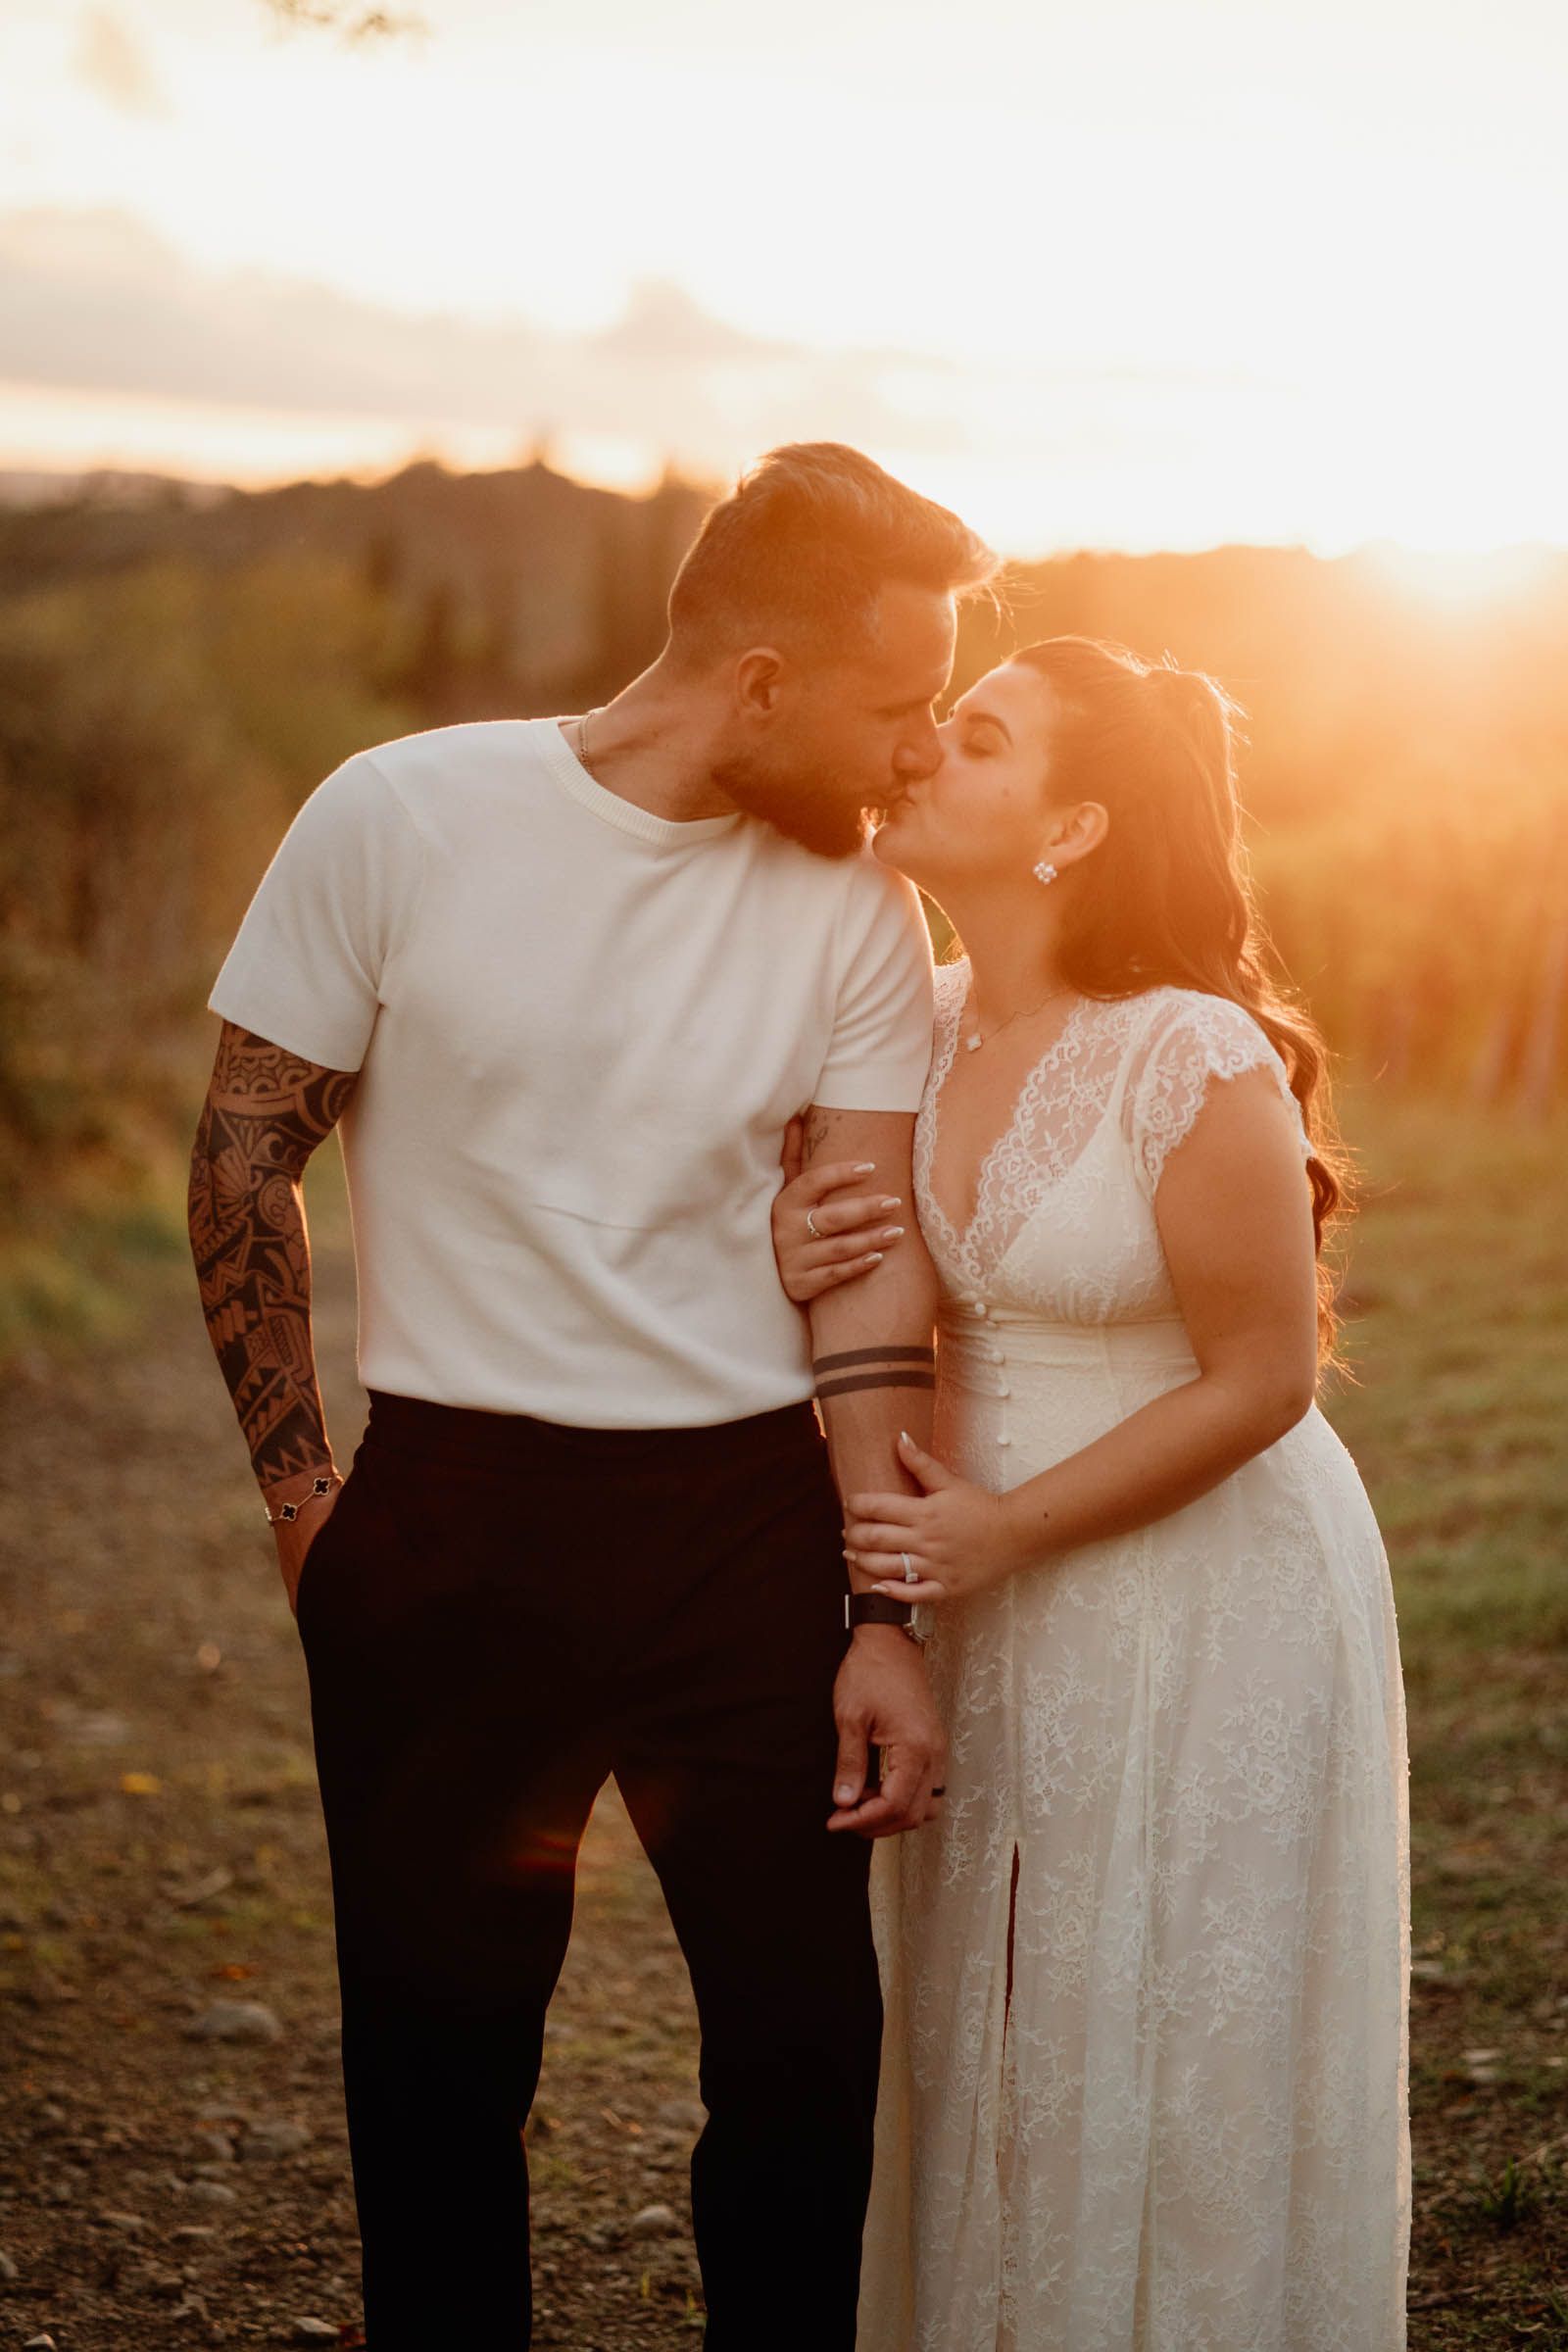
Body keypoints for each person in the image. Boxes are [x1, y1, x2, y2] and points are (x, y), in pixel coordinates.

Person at [186, 442, 998, 2350]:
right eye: (898, 703)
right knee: (436, 2075)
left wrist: (882, 1612)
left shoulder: (859, 913)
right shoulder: (399, 815)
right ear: (764, 683)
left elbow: (866, 1259)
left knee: (805, 2063)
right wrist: (307, 1507)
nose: (918, 751)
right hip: (447, 1522)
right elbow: (241, 1157)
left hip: (745, 1533)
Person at [772, 636, 1411, 2350]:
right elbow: (887, 1295)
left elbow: (1267, 1379)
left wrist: (997, 1531)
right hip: (983, 1584)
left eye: (980, 737)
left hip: (1203, 1578)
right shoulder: (915, 1019)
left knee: (1172, 2008)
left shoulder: (1190, 1051)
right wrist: (789, 1243)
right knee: (1001, 2001)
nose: (923, 749)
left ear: (1073, 828)